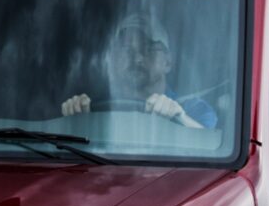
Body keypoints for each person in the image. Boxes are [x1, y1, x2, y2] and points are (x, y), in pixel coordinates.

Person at [61, 12, 217, 129]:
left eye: (148, 48)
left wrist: (180, 119)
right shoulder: (95, 112)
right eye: (126, 49)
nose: (137, 58)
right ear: (113, 61)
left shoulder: (194, 109)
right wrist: (75, 122)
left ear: (168, 61)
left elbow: (212, 156)